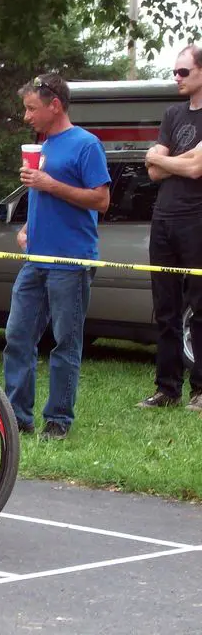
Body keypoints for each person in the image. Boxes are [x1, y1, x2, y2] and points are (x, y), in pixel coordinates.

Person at [2, 73, 110, 439]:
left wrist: (51, 185)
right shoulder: (43, 146)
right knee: (18, 336)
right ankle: (16, 415)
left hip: (71, 261)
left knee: (65, 343)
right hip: (36, 260)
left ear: (55, 105)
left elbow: (101, 199)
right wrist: (29, 227)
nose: (27, 116)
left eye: (32, 109)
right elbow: (44, 199)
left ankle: (58, 420)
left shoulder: (86, 145)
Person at [140, 44, 202, 410]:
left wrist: (169, 160)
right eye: (174, 72)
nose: (176, 78)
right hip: (163, 219)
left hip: (197, 219)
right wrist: (187, 158)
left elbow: (197, 170)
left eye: (183, 72)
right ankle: (167, 388)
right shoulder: (173, 114)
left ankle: (200, 389)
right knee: (165, 308)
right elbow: (151, 168)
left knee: (200, 306)